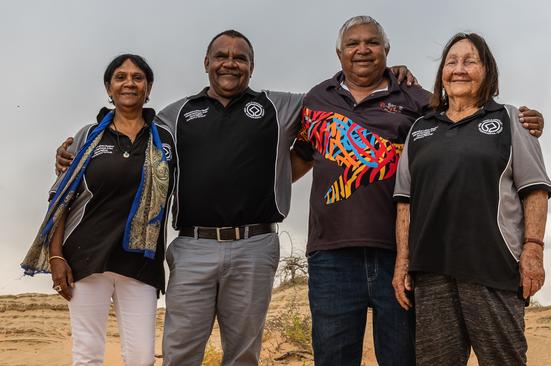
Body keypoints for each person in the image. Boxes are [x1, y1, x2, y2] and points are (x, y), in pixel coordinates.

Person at [54, 30, 416, 366]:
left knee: (243, 354)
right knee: (180, 351)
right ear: (207, 63)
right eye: (221, 56)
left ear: (252, 67)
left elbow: (337, 100)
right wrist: (72, 149)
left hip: (254, 246)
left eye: (240, 58)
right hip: (193, 245)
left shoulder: (281, 107)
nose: (230, 63)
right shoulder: (173, 115)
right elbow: (123, 136)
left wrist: (389, 75)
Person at [291, 16, 545, 366]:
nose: (362, 49)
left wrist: (527, 120)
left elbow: (465, 117)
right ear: (339, 52)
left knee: (404, 358)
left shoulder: (417, 99)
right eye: (352, 43)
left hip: (401, 254)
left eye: (372, 43)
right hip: (336, 256)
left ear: (386, 50)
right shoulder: (317, 99)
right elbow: (301, 159)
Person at [392, 32, 551, 366]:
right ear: (442, 74)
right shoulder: (420, 129)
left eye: (470, 61)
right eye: (451, 62)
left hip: (493, 270)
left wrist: (533, 250)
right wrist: (403, 261)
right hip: (432, 274)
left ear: (487, 71)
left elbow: (535, 189)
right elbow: (405, 202)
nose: (459, 69)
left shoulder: (511, 120)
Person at [22, 54, 176, 366]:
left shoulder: (166, 140)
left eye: (137, 77)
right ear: (109, 88)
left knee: (141, 358)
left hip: (141, 263)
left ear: (149, 88)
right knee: (88, 355)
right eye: (120, 77)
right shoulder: (88, 137)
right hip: (86, 258)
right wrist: (56, 256)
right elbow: (62, 197)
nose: (129, 83)